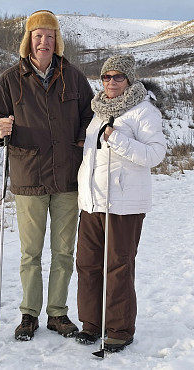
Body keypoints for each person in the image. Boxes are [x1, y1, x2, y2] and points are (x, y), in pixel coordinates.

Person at [0, 10, 94, 341]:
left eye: (49, 36)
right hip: (29, 176)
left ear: (56, 40)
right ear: (28, 41)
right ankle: (29, 313)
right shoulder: (10, 80)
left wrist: (79, 139)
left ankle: (57, 314)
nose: (43, 41)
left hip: (67, 179)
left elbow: (91, 116)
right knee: (30, 253)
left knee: (63, 252)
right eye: (37, 35)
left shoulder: (73, 77)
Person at [74, 54, 166, 352]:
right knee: (87, 264)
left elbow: (155, 155)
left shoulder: (144, 111)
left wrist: (117, 139)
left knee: (118, 266)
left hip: (124, 206)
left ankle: (120, 329)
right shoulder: (97, 111)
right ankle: (91, 324)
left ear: (129, 80)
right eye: (106, 77)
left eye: (118, 77)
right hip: (92, 203)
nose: (111, 82)